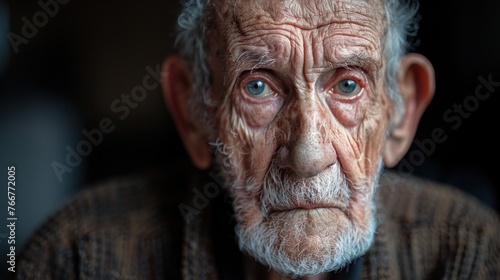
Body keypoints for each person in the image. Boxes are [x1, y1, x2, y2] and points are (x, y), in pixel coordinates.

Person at [13, 0, 500, 279]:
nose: (308, 154)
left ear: (400, 115)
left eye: (348, 85)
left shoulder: (473, 255)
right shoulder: (77, 258)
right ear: (194, 112)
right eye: (258, 86)